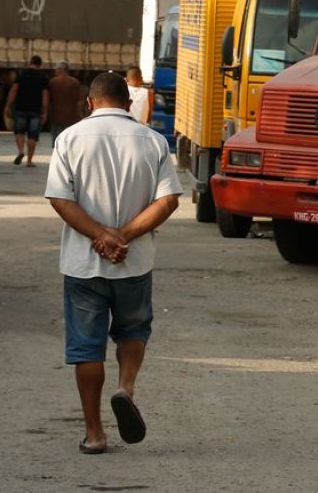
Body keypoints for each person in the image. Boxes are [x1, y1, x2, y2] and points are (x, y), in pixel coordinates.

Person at [45, 71, 182, 455]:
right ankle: (125, 387)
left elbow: (60, 199)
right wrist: (125, 236)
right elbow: (168, 200)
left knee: (86, 348)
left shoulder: (69, 139)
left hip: (83, 264)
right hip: (134, 261)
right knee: (133, 329)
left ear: (90, 102)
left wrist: (100, 235)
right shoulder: (153, 141)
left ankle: (95, 434)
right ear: (128, 102)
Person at [6, 55, 50, 167]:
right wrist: (44, 111)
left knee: (19, 132)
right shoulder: (43, 77)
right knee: (32, 136)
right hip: (35, 110)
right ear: (40, 64)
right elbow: (45, 95)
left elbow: (14, 90)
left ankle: (21, 151)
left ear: (30, 62)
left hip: (20, 108)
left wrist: (8, 105)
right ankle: (29, 161)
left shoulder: (22, 74)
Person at [48, 61, 84, 142]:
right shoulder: (75, 82)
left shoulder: (53, 82)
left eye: (56, 69)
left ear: (61, 69)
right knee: (70, 139)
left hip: (56, 116)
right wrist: (79, 112)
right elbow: (80, 100)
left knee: (57, 140)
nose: (55, 71)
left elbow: (48, 99)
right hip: (71, 116)